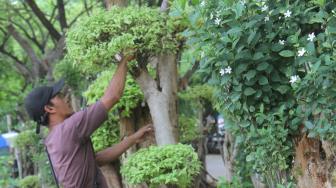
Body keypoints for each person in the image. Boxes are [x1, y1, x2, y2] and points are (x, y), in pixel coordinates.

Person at [24, 53, 153, 188]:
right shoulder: (69, 128)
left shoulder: (53, 138)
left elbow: (96, 160)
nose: (66, 98)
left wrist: (132, 139)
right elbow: (113, 96)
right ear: (49, 108)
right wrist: (124, 60)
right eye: (59, 96)